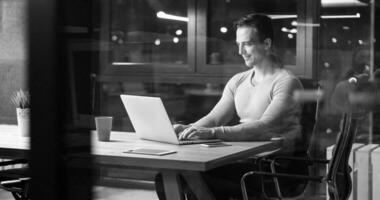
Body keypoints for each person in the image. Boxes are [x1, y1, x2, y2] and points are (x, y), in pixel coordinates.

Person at [155, 14, 305, 199]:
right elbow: (215, 118)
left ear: (266, 44)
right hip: (244, 158)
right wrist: (189, 128)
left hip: (273, 167)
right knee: (168, 176)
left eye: (248, 44)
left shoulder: (286, 82)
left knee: (194, 175)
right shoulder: (238, 81)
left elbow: (264, 127)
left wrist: (212, 133)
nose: (241, 51)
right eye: (238, 44)